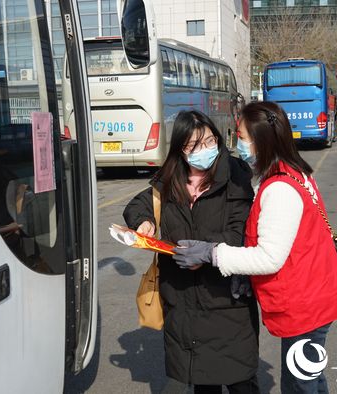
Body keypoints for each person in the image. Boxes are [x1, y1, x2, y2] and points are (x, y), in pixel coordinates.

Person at [172, 102, 337, 394]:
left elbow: (269, 258)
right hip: (318, 292)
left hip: (306, 304)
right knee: (312, 377)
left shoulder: (280, 189)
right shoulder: (293, 171)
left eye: (242, 137)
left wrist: (211, 252)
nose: (237, 143)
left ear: (260, 141)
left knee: (299, 385)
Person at [123, 110, 260, 393]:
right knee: (201, 381)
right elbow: (137, 206)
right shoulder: (169, 178)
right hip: (182, 301)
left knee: (240, 382)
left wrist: (205, 252)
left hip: (225, 302)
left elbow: (239, 232)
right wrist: (145, 222)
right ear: (181, 150)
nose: (205, 150)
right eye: (194, 146)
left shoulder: (235, 176)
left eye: (210, 141)